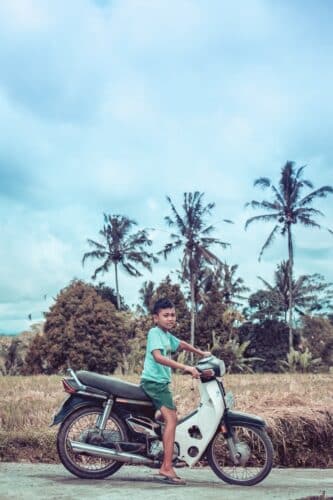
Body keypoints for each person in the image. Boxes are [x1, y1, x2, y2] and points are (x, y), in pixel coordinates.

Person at [140, 298, 211, 485]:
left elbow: (182, 344)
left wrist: (201, 353)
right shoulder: (154, 333)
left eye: (172, 315)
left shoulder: (166, 335)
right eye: (166, 315)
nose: (170, 318)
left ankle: (160, 445)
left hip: (161, 384)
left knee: (166, 416)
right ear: (156, 318)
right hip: (154, 383)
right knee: (172, 419)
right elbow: (158, 357)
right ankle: (166, 467)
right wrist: (185, 367)